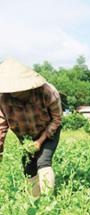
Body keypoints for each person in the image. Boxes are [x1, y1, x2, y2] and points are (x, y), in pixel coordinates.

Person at [0, 58, 63, 197]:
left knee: (43, 161)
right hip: (26, 137)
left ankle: (48, 203)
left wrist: (39, 142)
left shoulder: (47, 91)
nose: (14, 93)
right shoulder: (3, 99)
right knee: (29, 168)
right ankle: (35, 202)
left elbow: (57, 119)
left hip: (49, 131)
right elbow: (1, 127)